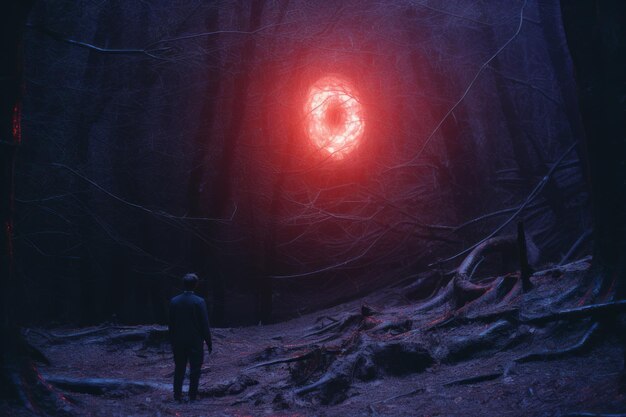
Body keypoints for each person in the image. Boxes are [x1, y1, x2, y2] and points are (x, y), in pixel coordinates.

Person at [168, 273, 212, 402]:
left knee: (179, 367)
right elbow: (204, 324)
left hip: (178, 340)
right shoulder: (199, 301)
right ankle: (192, 396)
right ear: (195, 284)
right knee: (195, 369)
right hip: (195, 341)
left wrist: (172, 340)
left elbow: (171, 323)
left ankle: (177, 395)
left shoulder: (174, 301)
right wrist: (208, 342)